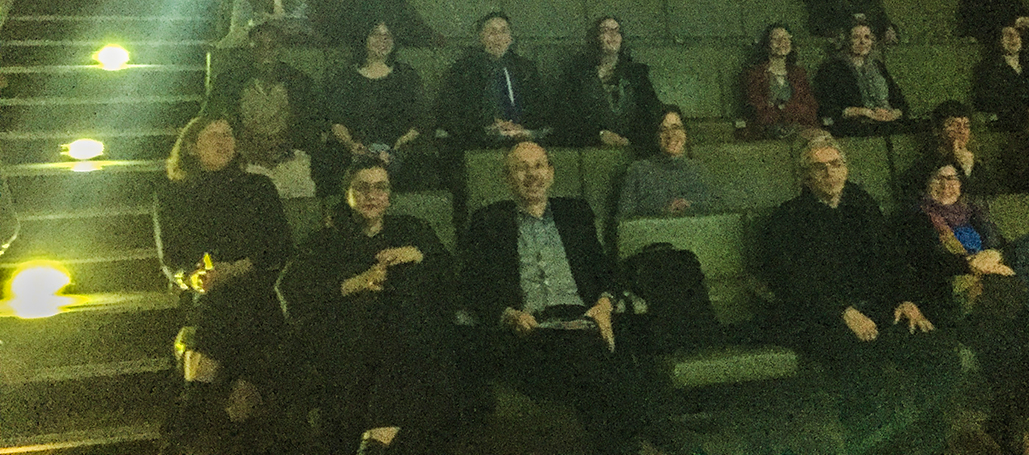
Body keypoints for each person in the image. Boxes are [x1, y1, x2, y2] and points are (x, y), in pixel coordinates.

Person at [461, 142, 669, 455]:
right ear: (507, 178)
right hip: (530, 328)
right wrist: (509, 314)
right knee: (600, 364)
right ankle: (636, 444)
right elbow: (474, 286)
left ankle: (626, 444)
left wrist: (604, 305)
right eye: (522, 168)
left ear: (552, 173)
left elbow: (604, 269)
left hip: (583, 317)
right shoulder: (489, 222)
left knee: (599, 352)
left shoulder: (575, 213)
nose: (532, 175)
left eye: (539, 166)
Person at [761, 136, 958, 444]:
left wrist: (906, 299)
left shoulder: (862, 206)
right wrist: (845, 312)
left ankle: (929, 443)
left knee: (935, 348)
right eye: (820, 167)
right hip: (825, 318)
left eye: (836, 164)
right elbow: (796, 282)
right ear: (806, 177)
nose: (830, 173)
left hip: (877, 308)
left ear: (846, 169)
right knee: (862, 367)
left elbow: (892, 260)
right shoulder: (788, 219)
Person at [277, 156, 458, 455]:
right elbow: (291, 288)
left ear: (390, 195)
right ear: (347, 193)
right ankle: (378, 440)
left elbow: (448, 277)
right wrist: (354, 283)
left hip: (407, 337)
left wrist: (419, 255)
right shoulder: (326, 240)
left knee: (406, 325)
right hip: (349, 339)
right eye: (362, 188)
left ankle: (376, 440)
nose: (371, 195)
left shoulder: (412, 230)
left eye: (380, 187)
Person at [898, 162, 1029, 455]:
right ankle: (1006, 423)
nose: (948, 184)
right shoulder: (915, 219)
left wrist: (994, 253)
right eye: (940, 178)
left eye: (954, 178)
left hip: (992, 300)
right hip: (951, 304)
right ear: (926, 183)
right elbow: (922, 265)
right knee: (1008, 345)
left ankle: (1010, 415)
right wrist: (969, 264)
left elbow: (1006, 247)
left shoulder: (976, 214)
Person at [154, 114, 292, 452]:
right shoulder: (172, 193)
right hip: (207, 296)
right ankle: (226, 410)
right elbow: (171, 260)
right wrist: (192, 278)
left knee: (229, 306)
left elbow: (279, 248)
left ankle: (188, 408)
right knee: (220, 305)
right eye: (213, 135)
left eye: (228, 134)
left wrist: (232, 270)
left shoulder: (258, 187)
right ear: (190, 146)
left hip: (255, 290)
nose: (223, 141)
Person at [205, 21, 320, 199]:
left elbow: (313, 124)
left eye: (272, 46)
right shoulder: (228, 82)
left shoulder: (300, 82)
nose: (265, 51)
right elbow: (208, 120)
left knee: (299, 189)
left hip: (288, 155)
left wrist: (287, 146)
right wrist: (240, 146)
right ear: (249, 49)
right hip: (243, 154)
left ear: (280, 49)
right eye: (258, 45)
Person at [323, 21, 434, 197]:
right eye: (376, 34)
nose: (383, 39)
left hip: (399, 151)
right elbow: (337, 121)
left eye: (388, 35)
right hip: (356, 152)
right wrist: (351, 145)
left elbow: (422, 119)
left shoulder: (406, 75)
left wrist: (398, 146)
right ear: (364, 39)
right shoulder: (346, 78)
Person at [438, 12, 551, 149]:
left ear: (510, 38)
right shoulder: (463, 70)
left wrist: (521, 127)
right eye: (492, 33)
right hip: (480, 142)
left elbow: (540, 108)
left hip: (524, 138)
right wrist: (489, 127)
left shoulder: (525, 68)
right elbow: (452, 112)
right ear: (481, 37)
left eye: (504, 32)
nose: (499, 38)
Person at [558, 16, 661, 149]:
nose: (612, 35)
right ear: (595, 38)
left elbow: (649, 112)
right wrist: (599, 135)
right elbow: (566, 118)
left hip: (630, 147)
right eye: (606, 30)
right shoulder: (577, 74)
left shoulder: (637, 74)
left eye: (616, 31)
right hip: (591, 149)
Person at [813, 22, 909, 136]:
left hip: (886, 121)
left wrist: (893, 114)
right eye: (856, 37)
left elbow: (900, 102)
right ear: (847, 40)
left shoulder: (877, 66)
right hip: (855, 126)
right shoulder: (832, 69)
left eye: (867, 37)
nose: (862, 42)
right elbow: (828, 108)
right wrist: (863, 112)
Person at [617, 108, 714, 217]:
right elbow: (624, 220)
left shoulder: (700, 171)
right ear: (656, 136)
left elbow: (716, 214)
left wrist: (691, 208)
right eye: (663, 130)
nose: (670, 135)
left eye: (675, 128)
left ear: (685, 133)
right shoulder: (638, 171)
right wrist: (662, 212)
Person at [899, 101, 998, 203]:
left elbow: (986, 198)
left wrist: (968, 169)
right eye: (954, 125)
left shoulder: (973, 164)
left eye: (966, 126)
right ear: (937, 130)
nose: (962, 131)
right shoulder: (924, 167)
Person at [740, 23, 820, 139]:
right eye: (776, 39)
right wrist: (790, 111)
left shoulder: (798, 74)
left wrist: (782, 108)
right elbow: (759, 112)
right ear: (767, 44)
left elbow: (810, 108)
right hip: (768, 131)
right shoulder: (756, 74)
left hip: (799, 128)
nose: (782, 43)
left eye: (786, 38)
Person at [973, 25, 1029, 131]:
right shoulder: (987, 69)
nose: (1013, 39)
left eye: (1016, 35)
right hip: (1007, 120)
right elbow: (987, 100)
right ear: (998, 41)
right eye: (1007, 36)